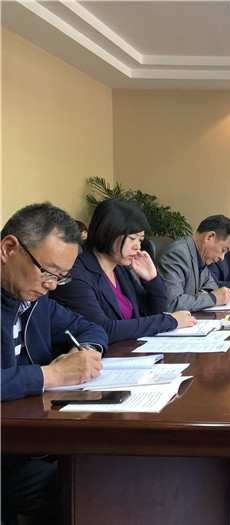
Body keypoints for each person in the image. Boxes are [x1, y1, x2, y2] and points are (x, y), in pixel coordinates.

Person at [1, 202, 108, 525]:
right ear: (9, 249)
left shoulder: (35, 301)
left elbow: (90, 328)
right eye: (47, 272)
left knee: (104, 484)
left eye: (60, 278)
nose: (51, 286)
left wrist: (85, 353)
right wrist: (51, 374)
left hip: (25, 445)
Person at [51, 199, 197, 343]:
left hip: (130, 350)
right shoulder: (75, 274)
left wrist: (151, 280)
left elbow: (154, 313)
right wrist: (170, 321)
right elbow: (102, 329)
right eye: (132, 238)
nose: (137, 247)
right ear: (108, 233)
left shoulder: (120, 269)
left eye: (140, 240)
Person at [158, 215, 230, 312]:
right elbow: (172, 303)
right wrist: (213, 298)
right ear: (209, 237)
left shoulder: (201, 256)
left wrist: (204, 296)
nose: (222, 257)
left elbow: (212, 285)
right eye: (223, 250)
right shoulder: (178, 253)